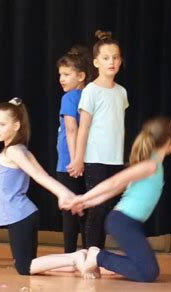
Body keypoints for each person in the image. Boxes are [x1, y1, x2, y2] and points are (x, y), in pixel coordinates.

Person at [31, 117, 171, 283]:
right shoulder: (149, 166)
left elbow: (115, 190)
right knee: (148, 272)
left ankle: (99, 257)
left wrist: (84, 203)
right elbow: (113, 183)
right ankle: (97, 256)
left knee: (148, 269)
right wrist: (83, 198)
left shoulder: (152, 164)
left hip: (126, 223)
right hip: (124, 222)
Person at [0, 98, 75, 275]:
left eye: (2, 124)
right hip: (25, 214)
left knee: (24, 267)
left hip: (19, 215)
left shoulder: (14, 151)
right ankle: (77, 260)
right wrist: (66, 193)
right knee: (31, 264)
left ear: (16, 126)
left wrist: (62, 194)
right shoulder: (21, 149)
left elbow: (39, 176)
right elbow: (44, 176)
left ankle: (74, 258)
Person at [67, 30, 128, 249]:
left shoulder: (121, 92)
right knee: (97, 207)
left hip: (115, 159)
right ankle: (90, 254)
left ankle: (98, 254)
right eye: (106, 58)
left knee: (109, 207)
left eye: (115, 57)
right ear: (96, 62)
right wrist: (78, 158)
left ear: (120, 60)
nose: (111, 62)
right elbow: (83, 127)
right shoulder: (91, 91)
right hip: (96, 159)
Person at [55, 45, 94, 254]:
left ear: (81, 76)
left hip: (69, 164)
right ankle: (89, 252)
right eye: (60, 74)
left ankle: (69, 255)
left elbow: (72, 129)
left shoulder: (70, 97)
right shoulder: (91, 95)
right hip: (87, 161)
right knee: (86, 211)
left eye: (67, 74)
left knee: (70, 212)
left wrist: (74, 160)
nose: (62, 79)